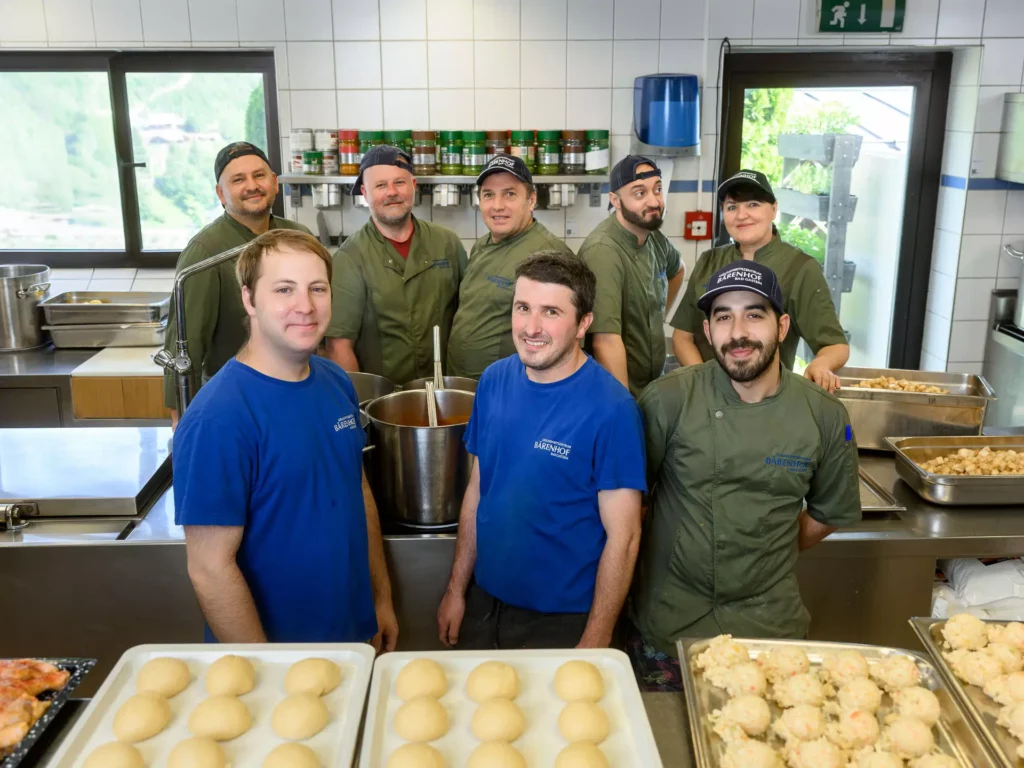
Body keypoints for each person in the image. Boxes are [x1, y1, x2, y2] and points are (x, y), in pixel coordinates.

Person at [629, 261, 860, 690]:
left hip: (770, 634)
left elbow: (829, 512)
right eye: (723, 317)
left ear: (783, 325)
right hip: (671, 626)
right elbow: (632, 509)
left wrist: (760, 545)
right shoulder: (667, 400)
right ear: (708, 328)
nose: (738, 332)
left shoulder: (824, 415)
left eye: (754, 314)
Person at [173, 229, 398, 649]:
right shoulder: (218, 418)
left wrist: (379, 600)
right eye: (284, 289)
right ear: (249, 299)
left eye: (317, 288)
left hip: (353, 635)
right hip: (277, 658)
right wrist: (268, 672)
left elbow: (357, 490)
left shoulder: (334, 381)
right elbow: (209, 568)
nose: (305, 306)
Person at [437, 251, 647, 650]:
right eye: (523, 308)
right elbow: (479, 491)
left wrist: (596, 639)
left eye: (551, 312)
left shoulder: (612, 409)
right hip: (485, 603)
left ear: (583, 323)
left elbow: (626, 537)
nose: (531, 327)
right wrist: (456, 591)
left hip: (562, 621)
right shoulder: (494, 380)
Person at [162, 141, 311, 427]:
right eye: (238, 179)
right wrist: (182, 425)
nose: (251, 185)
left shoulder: (298, 237)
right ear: (221, 193)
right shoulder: (206, 251)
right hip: (234, 405)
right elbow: (185, 348)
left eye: (259, 175)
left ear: (275, 183)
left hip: (298, 393)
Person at [671, 169, 850, 394]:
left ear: (773, 209)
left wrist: (820, 365)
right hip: (706, 397)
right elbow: (682, 336)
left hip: (767, 400)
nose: (742, 215)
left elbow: (835, 345)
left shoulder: (800, 267)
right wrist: (706, 385)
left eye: (753, 204)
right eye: (732, 207)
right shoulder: (709, 261)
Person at [325, 145, 467, 385]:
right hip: (384, 402)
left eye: (399, 183)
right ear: (365, 192)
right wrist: (361, 406)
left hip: (446, 392)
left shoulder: (447, 243)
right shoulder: (350, 258)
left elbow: (469, 315)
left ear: (413, 185)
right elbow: (339, 348)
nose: (391, 192)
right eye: (380, 185)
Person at [446, 155, 573, 378]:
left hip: (511, 389)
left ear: (531, 200)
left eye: (510, 194)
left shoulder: (548, 255)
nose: (497, 206)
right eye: (488, 195)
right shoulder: (481, 245)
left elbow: (566, 340)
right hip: (467, 387)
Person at [578, 155, 683, 397]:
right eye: (639, 193)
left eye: (657, 189)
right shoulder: (603, 252)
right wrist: (624, 411)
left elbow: (678, 270)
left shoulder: (651, 235)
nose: (654, 201)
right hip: (619, 391)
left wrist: (657, 317)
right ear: (615, 200)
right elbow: (605, 341)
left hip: (651, 385)